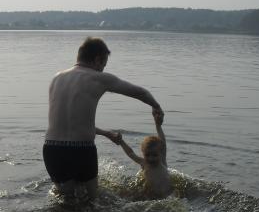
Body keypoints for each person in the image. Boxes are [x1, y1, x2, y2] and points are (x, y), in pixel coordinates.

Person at [43, 37, 163, 199]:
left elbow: (72, 123)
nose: (102, 69)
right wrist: (156, 106)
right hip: (81, 150)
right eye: (103, 65)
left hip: (52, 149)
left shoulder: (56, 78)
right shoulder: (98, 78)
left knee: (66, 202)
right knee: (92, 201)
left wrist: (106, 133)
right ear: (98, 59)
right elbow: (140, 92)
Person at [99, 109, 172, 199]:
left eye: (154, 155)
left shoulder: (162, 161)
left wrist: (158, 125)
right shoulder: (144, 163)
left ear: (161, 153)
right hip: (149, 195)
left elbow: (162, 140)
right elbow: (130, 153)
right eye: (147, 155)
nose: (151, 158)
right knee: (124, 193)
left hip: (166, 195)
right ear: (143, 154)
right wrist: (121, 142)